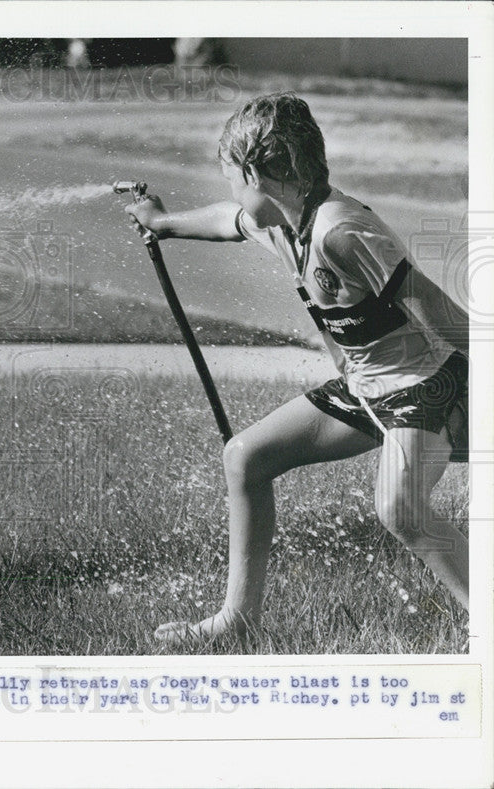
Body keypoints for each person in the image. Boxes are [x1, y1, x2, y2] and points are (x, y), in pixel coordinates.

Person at [125, 93, 469, 643]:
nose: (231, 192)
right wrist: (163, 222)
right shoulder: (284, 221)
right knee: (246, 457)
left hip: (423, 384)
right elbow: (227, 221)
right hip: (365, 386)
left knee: (400, 509)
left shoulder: (341, 231)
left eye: (230, 177)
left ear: (255, 172)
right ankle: (237, 620)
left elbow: (439, 309)